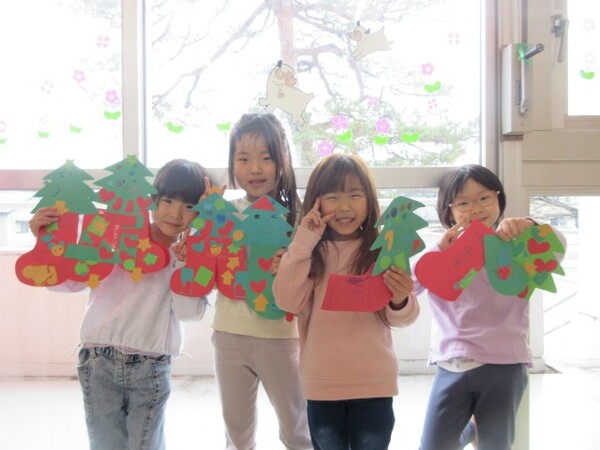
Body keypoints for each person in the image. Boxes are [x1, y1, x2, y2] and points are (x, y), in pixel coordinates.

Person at [29, 159, 211, 450]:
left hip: (151, 366)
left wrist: (184, 266)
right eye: (168, 201)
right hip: (98, 359)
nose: (176, 213)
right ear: (153, 200)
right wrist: (45, 245)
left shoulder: (194, 255)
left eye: (189, 206)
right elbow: (69, 282)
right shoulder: (117, 236)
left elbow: (189, 313)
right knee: (105, 445)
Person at [272, 153, 420, 450]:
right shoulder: (308, 253)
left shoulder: (383, 250)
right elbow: (287, 301)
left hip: (374, 382)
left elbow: (402, 318)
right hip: (322, 383)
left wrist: (401, 298)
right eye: (332, 197)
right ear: (316, 202)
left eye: (355, 195)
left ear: (370, 200)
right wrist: (302, 243)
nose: (344, 207)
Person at [415, 164, 567, 450]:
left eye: (484, 198)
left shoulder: (515, 244)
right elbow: (410, 284)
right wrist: (439, 249)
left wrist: (531, 225)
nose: (475, 208)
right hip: (453, 360)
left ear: (498, 198)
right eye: (463, 203)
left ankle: (475, 430)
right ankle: (471, 429)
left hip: (505, 361)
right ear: (449, 210)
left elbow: (557, 248)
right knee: (434, 445)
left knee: (496, 444)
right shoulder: (442, 252)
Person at [212, 112, 312, 450]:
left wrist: (291, 264)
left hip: (280, 337)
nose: (255, 168)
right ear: (232, 164)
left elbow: (311, 278)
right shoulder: (225, 214)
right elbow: (209, 260)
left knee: (296, 430)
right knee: (237, 434)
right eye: (244, 158)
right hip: (229, 334)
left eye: (266, 157)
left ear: (283, 160)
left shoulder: (298, 217)